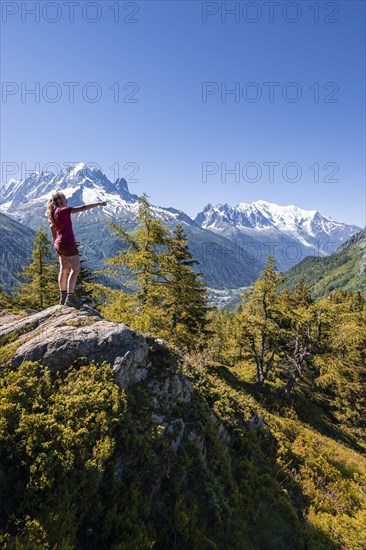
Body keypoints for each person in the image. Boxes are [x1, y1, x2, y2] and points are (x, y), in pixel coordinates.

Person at [46, 192, 107, 308]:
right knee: (76, 269)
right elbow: (82, 208)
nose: (67, 200)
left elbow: (52, 229)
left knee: (63, 269)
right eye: (64, 198)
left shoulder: (53, 213)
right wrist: (98, 203)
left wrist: (55, 245)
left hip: (59, 244)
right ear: (59, 201)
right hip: (68, 243)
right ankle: (70, 297)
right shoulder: (63, 210)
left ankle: (63, 296)